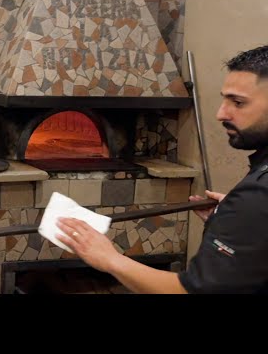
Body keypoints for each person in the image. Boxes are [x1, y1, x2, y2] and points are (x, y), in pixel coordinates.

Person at [56, 45, 268, 293]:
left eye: (238, 103)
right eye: (225, 99)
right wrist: (238, 221)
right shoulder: (254, 201)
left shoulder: (257, 196)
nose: (221, 113)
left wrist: (110, 259)